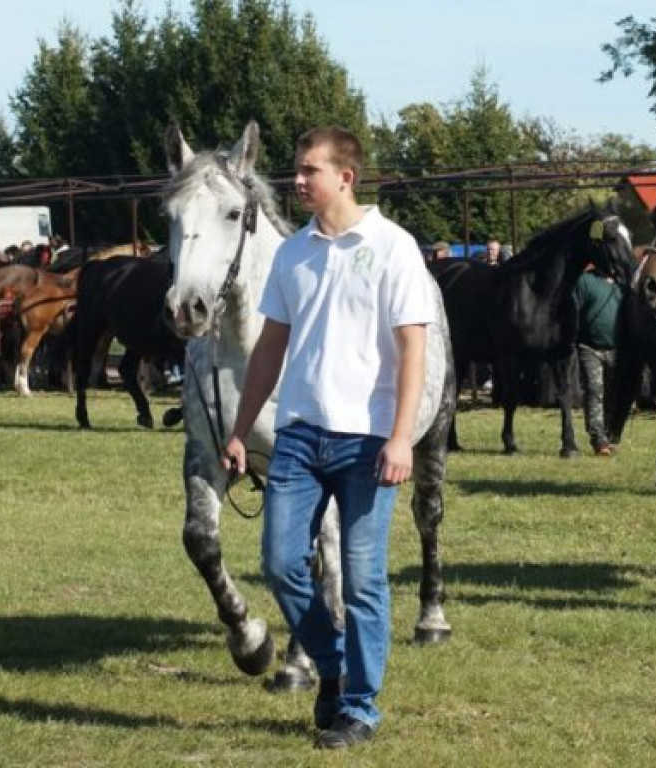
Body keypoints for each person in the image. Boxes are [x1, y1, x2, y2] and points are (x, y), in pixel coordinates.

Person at [222, 126, 433, 749]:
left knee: (364, 581)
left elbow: (412, 346)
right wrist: (240, 428)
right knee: (281, 564)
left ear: (346, 177)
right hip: (299, 435)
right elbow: (270, 348)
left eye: (308, 170)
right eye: (296, 169)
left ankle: (360, 709)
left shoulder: (393, 247)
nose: (297, 180)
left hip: (368, 442)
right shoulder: (294, 253)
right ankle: (336, 667)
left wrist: (401, 439)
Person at [572, 265, 622, 456]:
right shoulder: (585, 281)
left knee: (614, 395)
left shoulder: (622, 285)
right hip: (589, 348)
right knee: (594, 391)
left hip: (617, 349)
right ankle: (598, 440)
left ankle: (608, 435)